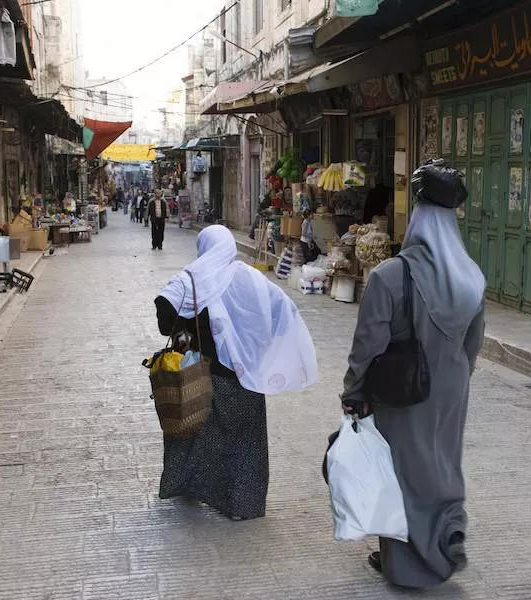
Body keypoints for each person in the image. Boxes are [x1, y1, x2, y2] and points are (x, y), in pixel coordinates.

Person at [340, 178, 486, 589]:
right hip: (453, 387)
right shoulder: (470, 277)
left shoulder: (390, 276)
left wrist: (354, 392)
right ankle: (447, 533)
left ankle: (410, 564)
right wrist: (455, 381)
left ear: (417, 220)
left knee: (403, 471)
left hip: (404, 391)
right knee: (444, 461)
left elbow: (366, 346)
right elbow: (473, 345)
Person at [155, 225, 318, 521]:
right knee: (245, 443)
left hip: (197, 374)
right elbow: (283, 312)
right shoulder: (251, 279)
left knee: (191, 433)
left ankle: (191, 488)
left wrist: (189, 325)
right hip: (242, 378)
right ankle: (244, 506)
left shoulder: (190, 280)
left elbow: (164, 319)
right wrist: (253, 347)